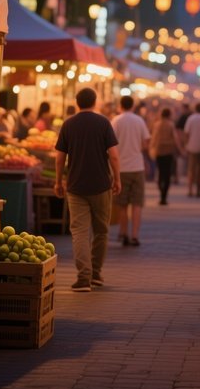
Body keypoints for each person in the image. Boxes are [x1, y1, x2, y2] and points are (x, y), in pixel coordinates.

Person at [54, 87, 121, 292]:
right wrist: (117, 178)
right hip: (101, 185)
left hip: (75, 187)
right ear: (95, 102)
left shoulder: (68, 124)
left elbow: (60, 157)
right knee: (101, 231)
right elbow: (114, 155)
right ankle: (96, 274)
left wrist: (58, 181)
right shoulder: (103, 123)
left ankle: (83, 277)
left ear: (77, 102)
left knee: (80, 232)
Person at [111, 95, 150, 247]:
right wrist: (138, 149)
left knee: (122, 203)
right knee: (137, 203)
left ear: (120, 105)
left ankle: (123, 233)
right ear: (133, 106)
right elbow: (146, 142)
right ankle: (135, 235)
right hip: (137, 166)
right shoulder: (139, 120)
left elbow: (110, 144)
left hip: (121, 167)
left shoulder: (115, 121)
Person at [150, 107, 181, 205]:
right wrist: (180, 149)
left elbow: (154, 137)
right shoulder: (171, 124)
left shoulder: (157, 125)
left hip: (159, 151)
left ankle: (160, 190)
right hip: (169, 151)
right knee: (167, 174)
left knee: (160, 172)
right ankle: (164, 196)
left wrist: (152, 148)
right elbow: (175, 138)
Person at [183, 103, 200, 197]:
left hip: (191, 147)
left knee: (191, 170)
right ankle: (199, 190)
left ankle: (190, 190)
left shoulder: (191, 118)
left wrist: (186, 144)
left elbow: (186, 133)